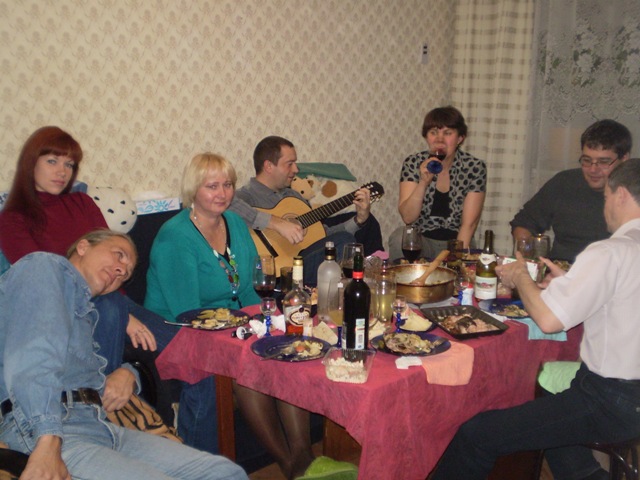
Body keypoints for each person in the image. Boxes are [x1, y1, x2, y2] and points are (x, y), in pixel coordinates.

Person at [431, 158, 640, 480]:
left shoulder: (610, 251)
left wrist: (521, 275)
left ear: (621, 194)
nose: (606, 206)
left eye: (607, 197)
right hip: (624, 395)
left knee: (476, 435)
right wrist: (568, 284)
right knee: (548, 398)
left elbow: (548, 321)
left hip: (611, 400)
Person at [0, 229, 248, 480]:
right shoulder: (45, 267)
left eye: (127, 273)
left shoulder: (90, 314)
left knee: (224, 472)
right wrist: (47, 441)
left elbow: (114, 369)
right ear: (83, 247)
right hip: (48, 428)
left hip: (100, 425)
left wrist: (130, 373)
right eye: (118, 255)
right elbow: (35, 357)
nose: (121, 270)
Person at [145, 153, 317, 479]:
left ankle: (304, 455)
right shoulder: (175, 237)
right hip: (180, 329)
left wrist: (265, 322)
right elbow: (187, 311)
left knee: (286, 351)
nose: (222, 193)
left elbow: (250, 289)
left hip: (233, 321)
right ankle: (289, 464)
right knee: (245, 368)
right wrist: (244, 329)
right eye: (212, 186)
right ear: (193, 190)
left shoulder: (235, 223)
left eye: (227, 185)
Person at [228, 135, 372, 285]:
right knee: (344, 240)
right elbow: (227, 203)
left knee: (346, 242)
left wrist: (359, 220)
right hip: (267, 272)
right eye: (290, 164)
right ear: (269, 166)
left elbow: (322, 234)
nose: (296, 169)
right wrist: (276, 223)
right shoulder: (246, 195)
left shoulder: (294, 196)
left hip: (302, 262)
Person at [510, 119, 632, 262]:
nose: (593, 169)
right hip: (559, 268)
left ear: (624, 159)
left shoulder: (634, 193)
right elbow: (524, 223)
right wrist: (527, 259)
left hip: (610, 272)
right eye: (586, 160)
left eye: (603, 162)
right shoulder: (564, 182)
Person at [388, 106, 486, 261]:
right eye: (433, 132)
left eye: (447, 133)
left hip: (457, 242)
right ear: (426, 137)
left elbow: (469, 224)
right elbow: (408, 217)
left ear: (460, 138)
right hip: (422, 240)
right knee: (400, 236)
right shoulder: (413, 163)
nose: (439, 140)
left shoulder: (474, 167)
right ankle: (405, 276)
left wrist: (454, 260)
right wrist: (423, 183)